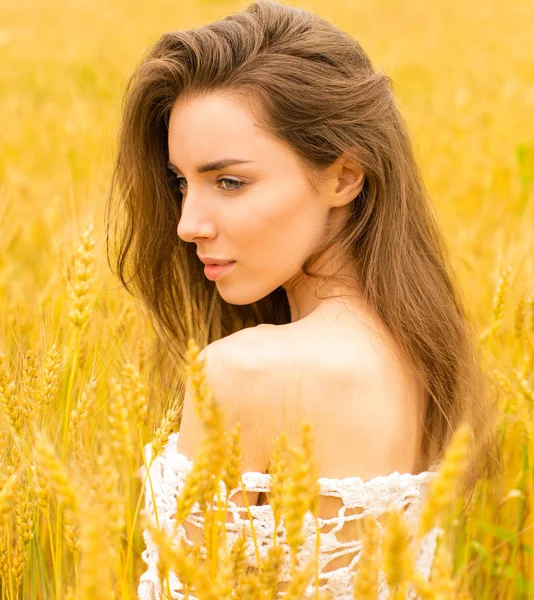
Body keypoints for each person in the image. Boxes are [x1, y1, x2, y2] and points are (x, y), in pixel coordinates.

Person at [105, 1, 501, 597]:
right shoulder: (424, 354)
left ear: (344, 176)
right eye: (180, 183)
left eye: (229, 182)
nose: (187, 223)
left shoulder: (245, 373)